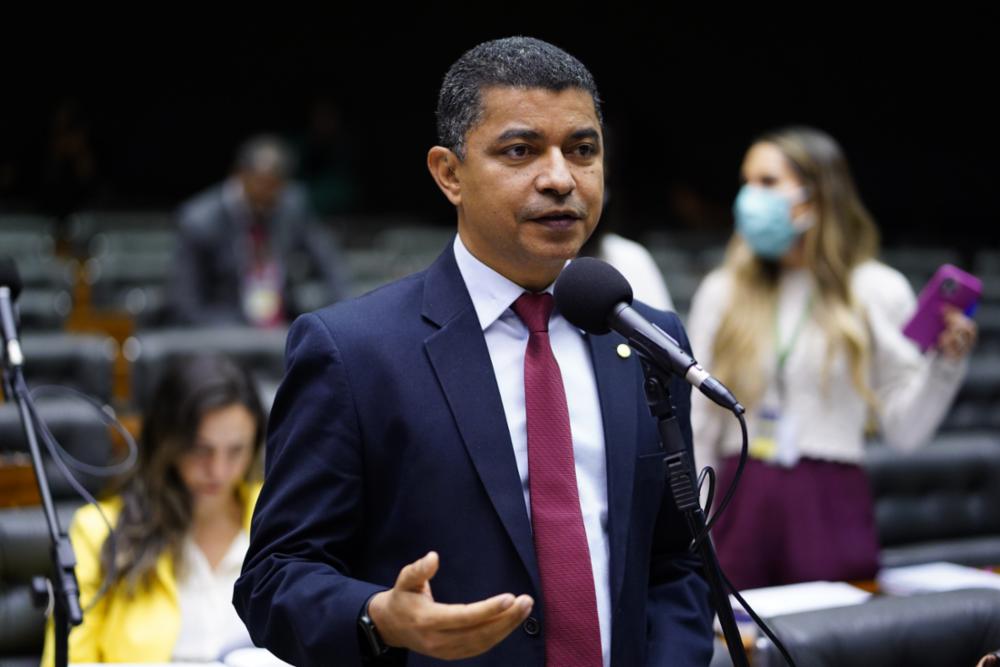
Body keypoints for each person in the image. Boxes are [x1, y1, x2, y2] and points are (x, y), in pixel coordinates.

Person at [234, 36, 713, 667]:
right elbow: (275, 576)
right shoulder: (353, 351)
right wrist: (378, 617)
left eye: (582, 150)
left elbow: (674, 562)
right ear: (449, 174)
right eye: (520, 151)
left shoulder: (645, 339)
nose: (560, 178)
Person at [688, 126, 978, 590]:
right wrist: (695, 522)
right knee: (734, 633)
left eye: (767, 182)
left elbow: (905, 433)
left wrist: (945, 365)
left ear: (816, 195)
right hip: (739, 499)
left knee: (835, 626)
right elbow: (698, 421)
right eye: (746, 182)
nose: (749, 198)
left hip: (829, 502)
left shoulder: (876, 289)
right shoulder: (722, 291)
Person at [42, 354, 267, 664]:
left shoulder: (281, 517)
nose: (218, 470)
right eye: (201, 450)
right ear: (167, 442)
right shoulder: (100, 530)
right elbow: (68, 660)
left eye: (236, 451)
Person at [168, 134, 348, 327]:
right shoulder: (199, 221)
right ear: (240, 175)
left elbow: (329, 262)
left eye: (275, 188)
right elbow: (187, 305)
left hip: (283, 323)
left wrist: (342, 313)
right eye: (261, 184)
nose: (267, 196)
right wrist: (240, 333)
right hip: (224, 328)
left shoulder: (292, 205)